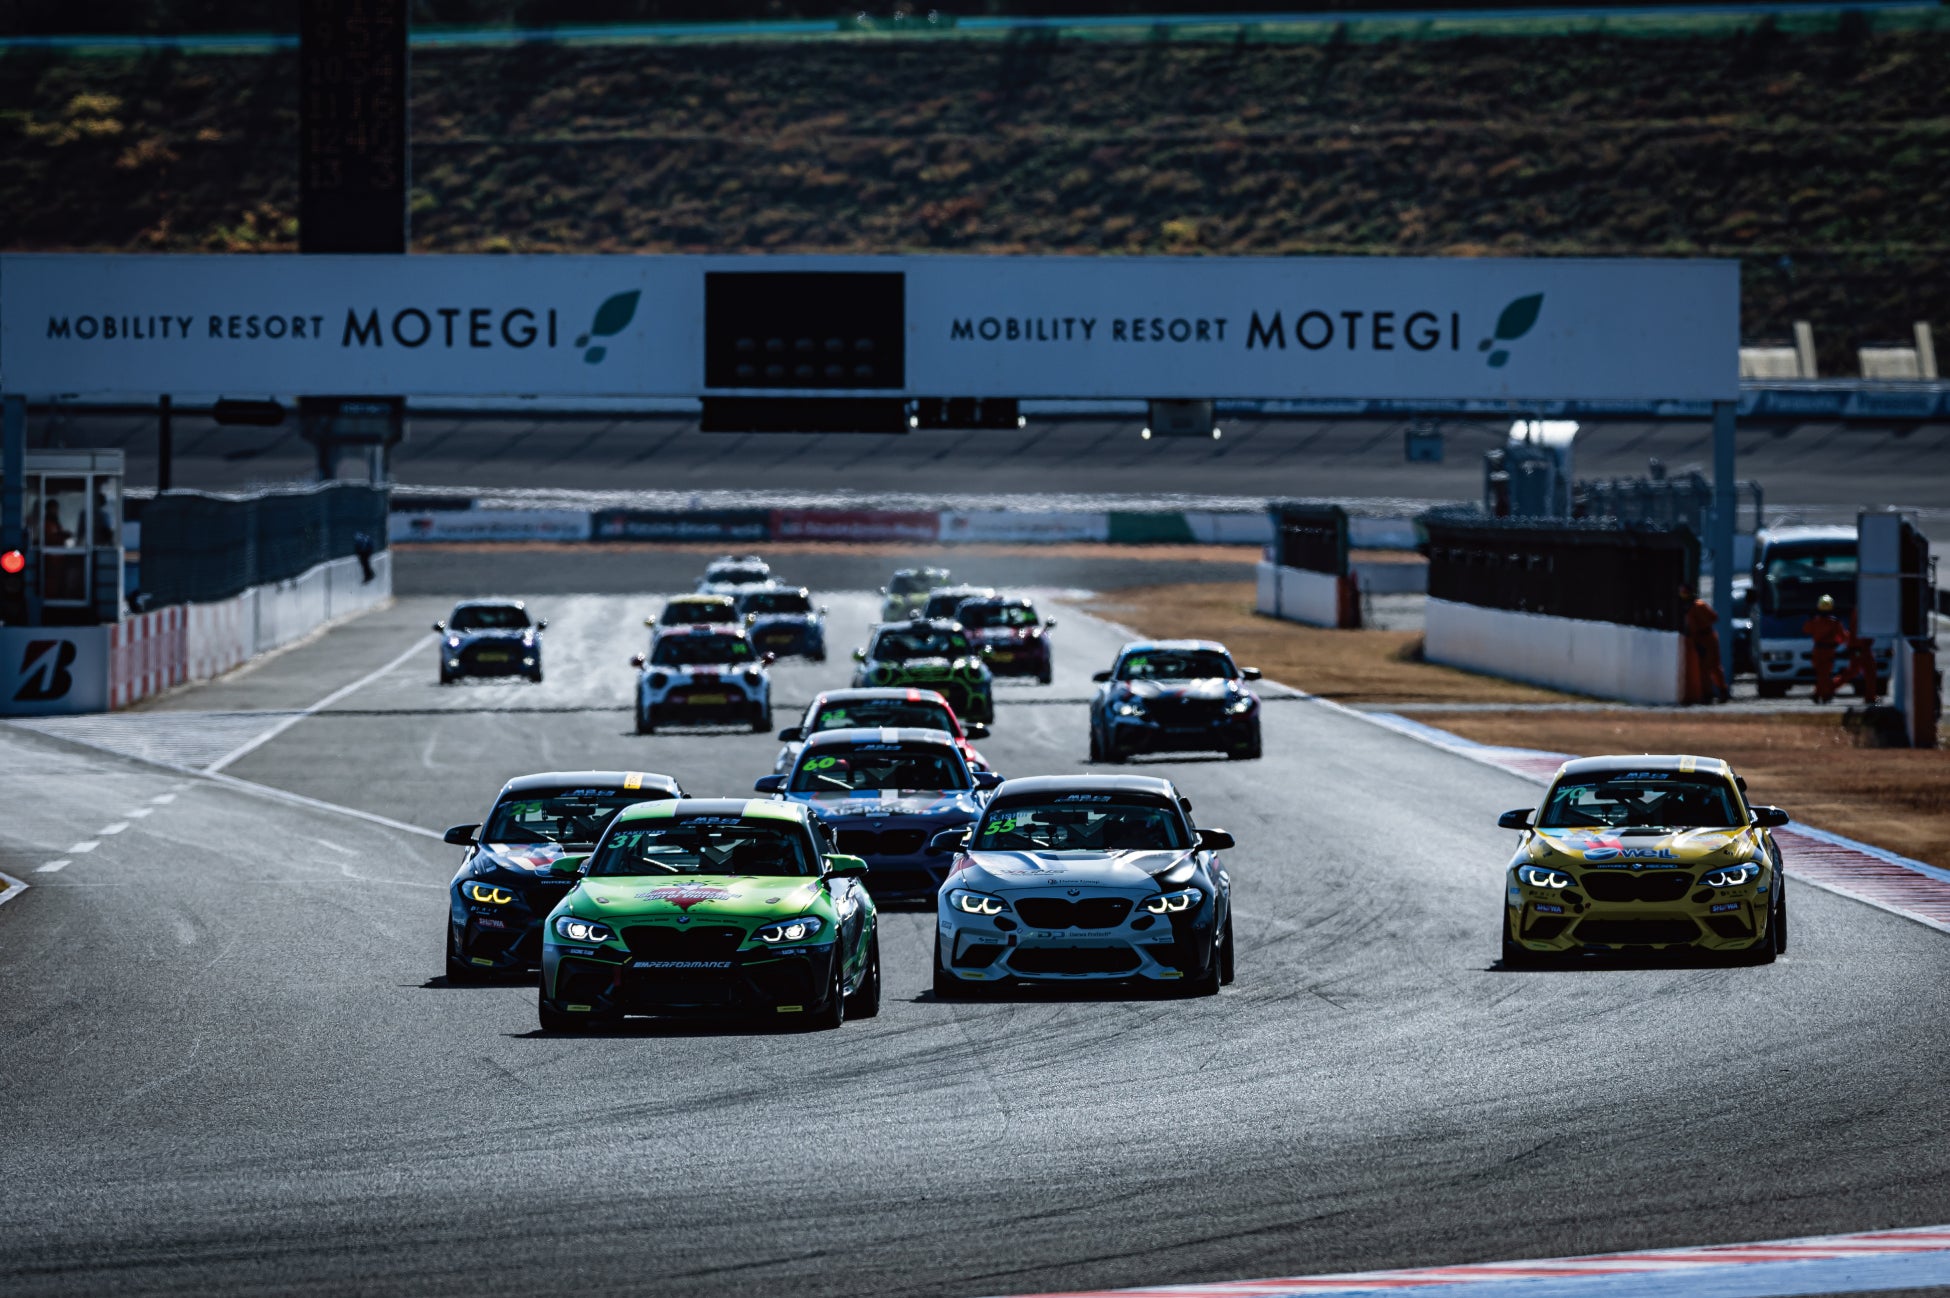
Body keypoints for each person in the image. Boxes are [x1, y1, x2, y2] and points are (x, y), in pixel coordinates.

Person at [1682, 586, 1728, 704]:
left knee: (1713, 666)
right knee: (1703, 668)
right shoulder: (1689, 608)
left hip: (1707, 638)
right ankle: (1707, 693)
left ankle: (1721, 691)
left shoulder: (1699, 605)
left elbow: (1714, 617)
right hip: (1699, 639)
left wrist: (1702, 624)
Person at [1802, 593, 1849, 704]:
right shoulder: (1834, 622)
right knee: (1825, 674)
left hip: (1818, 650)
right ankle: (1824, 695)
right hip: (1828, 651)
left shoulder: (1815, 621)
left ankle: (1818, 694)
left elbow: (1806, 630)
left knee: (1821, 674)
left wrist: (1811, 619)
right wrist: (1837, 643)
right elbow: (1843, 637)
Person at [1832, 616, 1882, 705]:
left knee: (1855, 671)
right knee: (1867, 671)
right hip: (1859, 649)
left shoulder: (1862, 613)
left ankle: (1827, 688)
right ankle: (1870, 697)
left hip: (1860, 648)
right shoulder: (1862, 613)